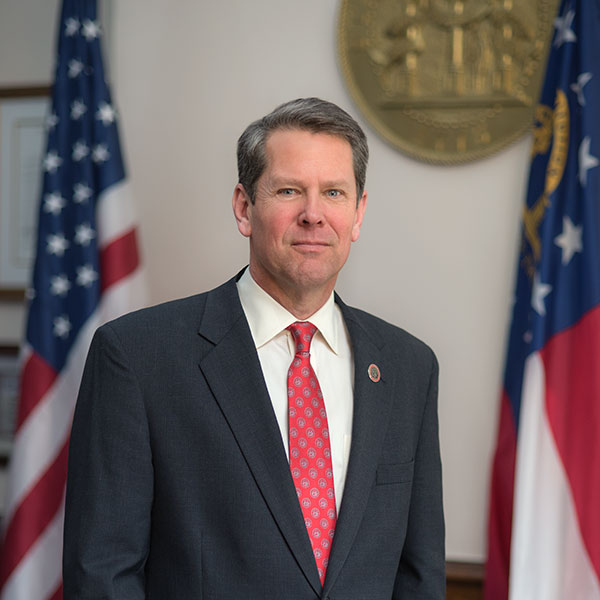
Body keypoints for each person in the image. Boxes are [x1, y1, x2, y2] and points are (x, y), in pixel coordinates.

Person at [63, 97, 445, 599]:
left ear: (358, 213)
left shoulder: (407, 367)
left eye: (333, 192)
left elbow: (418, 577)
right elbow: (102, 573)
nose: (314, 215)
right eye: (289, 190)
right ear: (245, 208)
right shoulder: (138, 357)